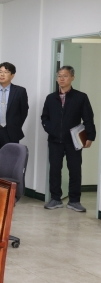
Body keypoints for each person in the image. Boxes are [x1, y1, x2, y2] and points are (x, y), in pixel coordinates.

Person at [41, 65, 96, 212]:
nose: (61, 79)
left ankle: (74, 201)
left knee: (75, 170)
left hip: (73, 141)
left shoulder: (81, 97)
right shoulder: (51, 98)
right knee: (55, 169)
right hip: (54, 140)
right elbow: (44, 117)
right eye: (59, 76)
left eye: (65, 76)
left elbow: (88, 118)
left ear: (72, 78)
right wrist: (50, 129)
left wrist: (90, 136)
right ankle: (55, 199)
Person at [0, 62, 29, 167]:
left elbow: (24, 111)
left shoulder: (20, 91)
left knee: (10, 161)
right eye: (0, 72)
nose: (2, 74)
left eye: (6, 72)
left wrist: (15, 125)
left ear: (12, 75)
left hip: (11, 131)